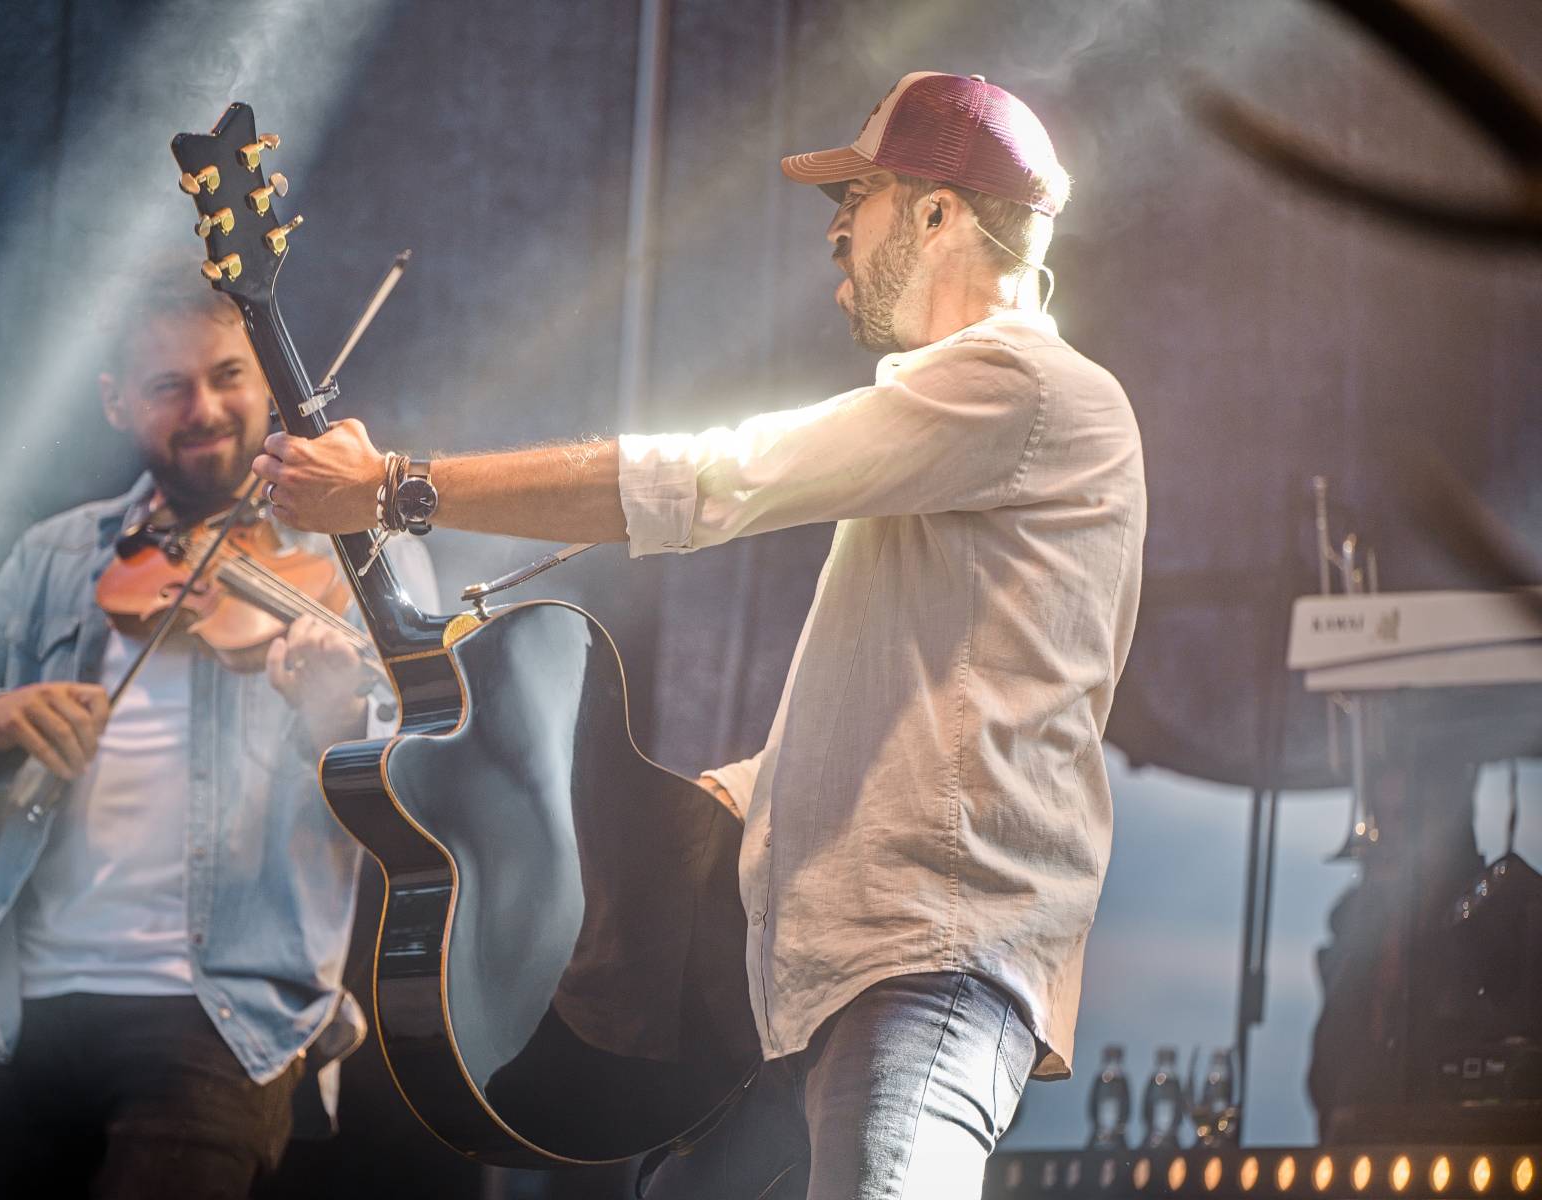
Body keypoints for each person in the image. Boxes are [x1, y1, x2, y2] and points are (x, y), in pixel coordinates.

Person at [254, 71, 1145, 1199]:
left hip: (923, 967)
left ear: (936, 213)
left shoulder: (1020, 386)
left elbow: (708, 481)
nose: (832, 231)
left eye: (856, 198)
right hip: (818, 981)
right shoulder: (965, 433)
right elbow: (929, 720)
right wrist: (734, 802)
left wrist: (394, 486)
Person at [0, 272, 434, 1199]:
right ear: (116, 401)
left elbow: (421, 762)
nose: (204, 409)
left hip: (223, 1013)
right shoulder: (57, 553)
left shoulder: (361, 554)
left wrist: (332, 712)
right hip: (24, 1005)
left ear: (267, 383)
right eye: (169, 386)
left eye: (228, 376)